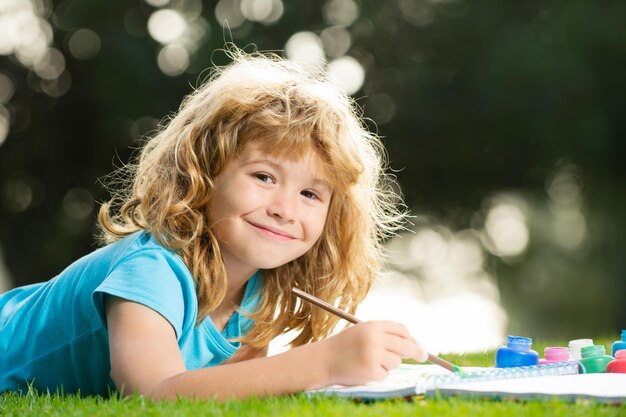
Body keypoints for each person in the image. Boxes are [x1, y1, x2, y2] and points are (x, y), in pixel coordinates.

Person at [0, 49, 427, 400]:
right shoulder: (155, 269)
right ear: (203, 175)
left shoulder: (256, 290)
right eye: (264, 176)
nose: (285, 208)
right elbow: (155, 395)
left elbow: (235, 392)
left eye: (311, 194)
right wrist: (326, 361)